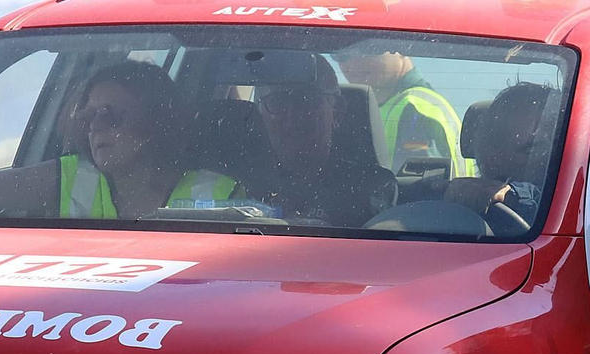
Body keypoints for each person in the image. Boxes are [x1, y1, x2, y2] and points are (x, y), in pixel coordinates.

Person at [56, 61, 243, 219]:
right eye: (88, 117)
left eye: (109, 115)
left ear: (154, 120)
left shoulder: (219, 195)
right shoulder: (74, 176)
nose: (95, 126)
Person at [251, 55, 396, 227]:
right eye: (277, 101)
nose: (291, 117)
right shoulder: (235, 185)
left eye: (306, 100)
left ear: (337, 111)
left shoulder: (373, 191)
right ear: (261, 114)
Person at [340, 49, 474, 177]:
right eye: (341, 55)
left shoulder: (417, 107)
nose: (353, 62)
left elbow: (421, 189)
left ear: (402, 52)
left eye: (368, 51)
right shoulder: (385, 107)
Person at [442, 82, 554, 228]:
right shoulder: (441, 215)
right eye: (532, 149)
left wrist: (515, 197)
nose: (547, 157)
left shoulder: (586, 202)